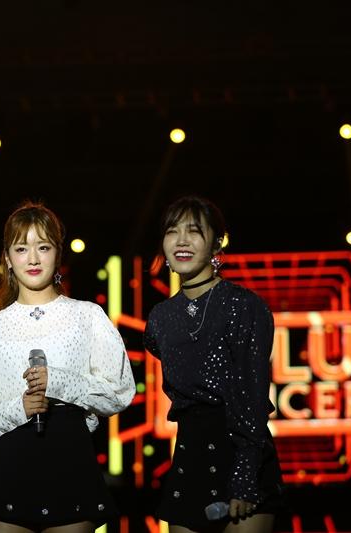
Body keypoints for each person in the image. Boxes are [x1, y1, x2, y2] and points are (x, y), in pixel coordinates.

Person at [0, 201, 136, 533]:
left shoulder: (88, 316)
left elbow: (119, 391)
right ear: (8, 258)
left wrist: (58, 382)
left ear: (57, 254)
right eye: (21, 248)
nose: (33, 258)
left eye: (43, 247)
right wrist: (16, 409)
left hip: (70, 459)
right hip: (8, 465)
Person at [144, 196, 284, 533]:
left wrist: (245, 477)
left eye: (194, 231)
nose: (181, 241)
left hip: (239, 452)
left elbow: (252, 398)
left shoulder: (243, 306)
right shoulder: (160, 319)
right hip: (189, 456)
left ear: (217, 243)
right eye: (172, 231)